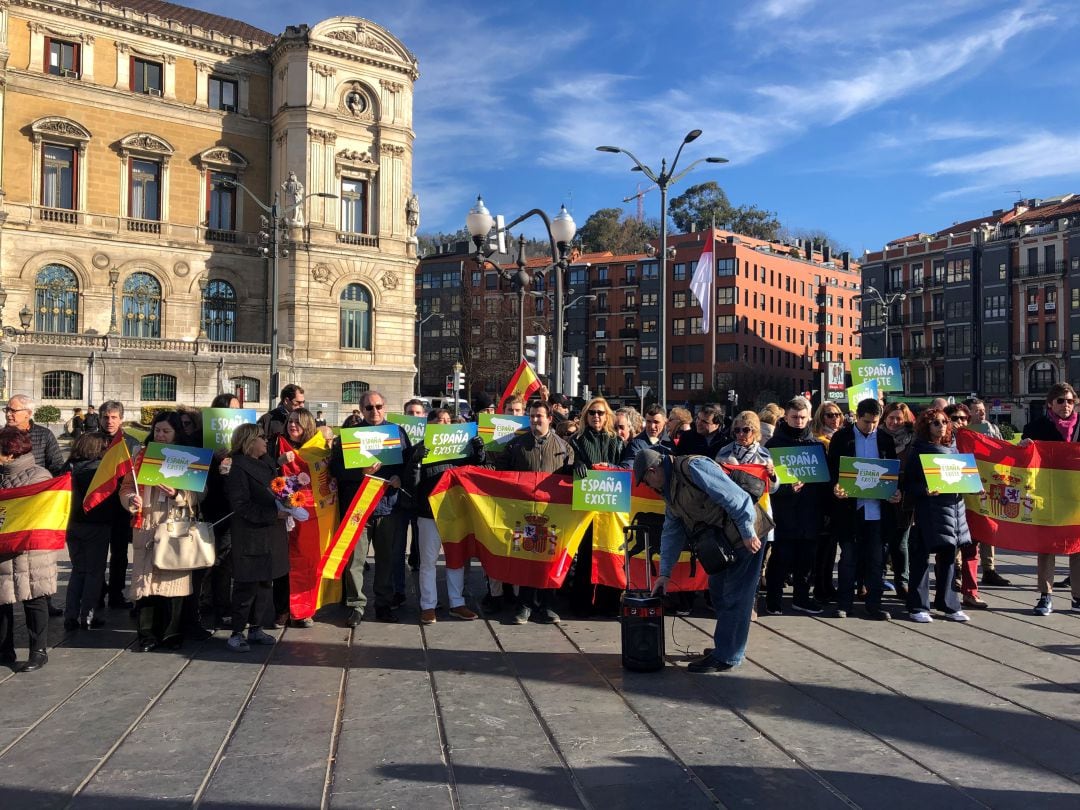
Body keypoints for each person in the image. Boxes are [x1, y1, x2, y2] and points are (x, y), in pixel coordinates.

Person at [637, 447, 762, 673]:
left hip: (746, 537)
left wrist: (747, 532)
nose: (648, 486)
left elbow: (736, 498)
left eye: (645, 481)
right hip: (723, 543)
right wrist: (664, 574)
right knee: (718, 593)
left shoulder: (693, 467)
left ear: (653, 470)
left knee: (735, 597)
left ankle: (727, 656)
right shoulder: (671, 491)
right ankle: (726, 646)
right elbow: (671, 532)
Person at [330, 389, 417, 626]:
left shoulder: (397, 432)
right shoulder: (350, 435)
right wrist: (361, 473)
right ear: (362, 410)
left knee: (386, 560)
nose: (374, 411)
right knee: (355, 561)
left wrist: (401, 477)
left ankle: (383, 604)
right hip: (359, 507)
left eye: (378, 406)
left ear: (385, 408)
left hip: (388, 507)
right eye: (369, 407)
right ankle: (356, 605)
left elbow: (408, 463)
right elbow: (335, 470)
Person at [120, 412, 201, 653]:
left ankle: (172, 632)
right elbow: (126, 486)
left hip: (175, 526)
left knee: (174, 584)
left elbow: (198, 495)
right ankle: (146, 634)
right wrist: (130, 499)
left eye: (166, 431)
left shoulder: (188, 458)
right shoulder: (140, 456)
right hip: (146, 525)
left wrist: (178, 495)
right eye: (157, 431)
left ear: (176, 433)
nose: (161, 435)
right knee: (146, 584)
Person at [497, 401, 575, 624]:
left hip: (553, 514)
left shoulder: (563, 447)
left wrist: (577, 470)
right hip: (525, 513)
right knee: (527, 557)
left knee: (549, 558)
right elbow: (501, 473)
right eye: (531, 416)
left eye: (539, 416)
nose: (534, 420)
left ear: (550, 418)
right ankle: (525, 604)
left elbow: (570, 478)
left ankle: (548, 604)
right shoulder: (517, 445)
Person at [827, 398, 900, 620]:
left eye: (875, 422)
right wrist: (835, 487)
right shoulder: (842, 438)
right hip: (851, 508)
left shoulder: (886, 439)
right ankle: (845, 603)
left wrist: (896, 492)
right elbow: (832, 471)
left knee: (877, 559)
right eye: (866, 422)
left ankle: (874, 604)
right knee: (849, 557)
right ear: (857, 417)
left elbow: (892, 474)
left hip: (878, 510)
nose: (870, 427)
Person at [414, 408, 483, 624]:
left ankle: (457, 602)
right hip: (429, 513)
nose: (444, 423)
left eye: (447, 420)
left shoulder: (461, 448)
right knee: (428, 561)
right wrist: (417, 461)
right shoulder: (421, 447)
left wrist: (479, 451)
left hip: (455, 512)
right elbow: (412, 483)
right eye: (438, 420)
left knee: (456, 558)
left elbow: (476, 469)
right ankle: (428, 605)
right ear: (430, 424)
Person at [223, 423, 288, 651]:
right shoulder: (238, 467)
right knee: (246, 585)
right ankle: (237, 632)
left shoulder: (267, 462)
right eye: (262, 437)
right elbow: (241, 505)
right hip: (251, 535)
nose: (266, 441)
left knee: (265, 583)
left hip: (271, 533)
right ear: (250, 441)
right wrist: (273, 513)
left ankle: (256, 627)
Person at [904, 408, 972, 623]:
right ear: (926, 426)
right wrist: (924, 490)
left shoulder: (953, 448)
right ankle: (918, 606)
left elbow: (963, 477)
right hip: (929, 511)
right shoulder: (918, 450)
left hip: (953, 510)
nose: (941, 425)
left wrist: (973, 486)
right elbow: (907, 484)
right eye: (936, 422)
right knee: (921, 559)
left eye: (944, 422)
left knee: (949, 558)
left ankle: (949, 605)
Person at [762, 398, 826, 615]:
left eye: (802, 417)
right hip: (784, 512)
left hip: (810, 511)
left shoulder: (816, 446)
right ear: (786, 417)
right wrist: (787, 489)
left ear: (809, 417)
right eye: (794, 417)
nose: (799, 421)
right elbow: (766, 484)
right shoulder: (773, 446)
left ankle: (802, 597)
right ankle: (773, 599)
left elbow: (823, 481)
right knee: (781, 558)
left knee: (806, 559)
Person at [1021, 383, 1080, 615]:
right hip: (1047, 494)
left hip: (1076, 495)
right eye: (1060, 401)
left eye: (1069, 401)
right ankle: (1045, 595)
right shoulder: (1035, 427)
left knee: (1078, 545)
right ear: (1050, 404)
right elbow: (1021, 459)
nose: (1065, 405)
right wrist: (1024, 446)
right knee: (1046, 546)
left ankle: (1078, 596)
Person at [0, 427, 56, 672]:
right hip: (4, 546)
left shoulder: (39, 476)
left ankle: (38, 651)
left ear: (10, 453)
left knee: (34, 598)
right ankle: (4, 650)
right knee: (2, 599)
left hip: (31, 551)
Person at [567, 397, 624, 616]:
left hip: (610, 505)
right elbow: (568, 463)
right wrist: (577, 465)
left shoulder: (616, 440)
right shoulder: (577, 440)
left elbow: (624, 466)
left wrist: (613, 467)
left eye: (600, 413)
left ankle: (607, 603)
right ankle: (581, 604)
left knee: (609, 555)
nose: (596, 417)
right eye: (592, 413)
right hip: (586, 505)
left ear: (607, 415)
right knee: (585, 557)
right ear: (585, 416)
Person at [96, 400, 143, 610]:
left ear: (121, 419)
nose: (109, 421)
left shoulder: (131, 443)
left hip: (121, 506)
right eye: (106, 417)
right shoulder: (91, 441)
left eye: (114, 417)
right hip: (97, 506)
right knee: (96, 555)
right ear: (99, 419)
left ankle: (116, 594)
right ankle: (96, 593)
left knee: (120, 554)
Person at [62, 433, 111, 631]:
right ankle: (88, 615)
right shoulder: (99, 470)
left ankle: (70, 615)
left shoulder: (68, 468)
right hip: (96, 524)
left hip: (72, 524)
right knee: (94, 572)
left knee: (78, 570)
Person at [961, 399, 1010, 587]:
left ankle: (989, 568)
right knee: (965, 526)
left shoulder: (992, 428)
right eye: (976, 410)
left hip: (987, 483)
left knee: (988, 525)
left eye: (982, 410)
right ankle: (959, 568)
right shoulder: (962, 431)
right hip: (968, 482)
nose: (981, 413)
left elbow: (1002, 448)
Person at [809, 400, 844, 603]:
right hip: (822, 497)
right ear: (821, 418)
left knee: (831, 545)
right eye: (829, 415)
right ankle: (820, 585)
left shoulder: (841, 437)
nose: (834, 418)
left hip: (838, 497)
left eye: (837, 414)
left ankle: (828, 583)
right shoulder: (818, 441)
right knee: (822, 544)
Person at [881, 402, 916, 599]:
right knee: (881, 541)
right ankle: (878, 578)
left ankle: (902, 581)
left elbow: (915, 470)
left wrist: (903, 491)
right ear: (885, 417)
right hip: (879, 495)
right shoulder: (877, 437)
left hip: (904, 497)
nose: (894, 422)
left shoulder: (913, 440)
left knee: (901, 542)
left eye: (899, 418)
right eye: (891, 417)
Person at [7, 394, 65, 475]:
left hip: (37, 485)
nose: (8, 414)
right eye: (7, 410)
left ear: (28, 413)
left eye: (13, 411)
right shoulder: (2, 436)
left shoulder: (45, 435)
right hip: (8, 486)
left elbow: (56, 465)